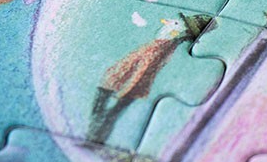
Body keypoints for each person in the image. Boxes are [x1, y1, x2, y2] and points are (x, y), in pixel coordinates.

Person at [86, 13, 214, 145]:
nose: (169, 23)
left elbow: (143, 70)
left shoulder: (162, 47)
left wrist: (126, 89)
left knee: (108, 112)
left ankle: (94, 137)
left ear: (183, 32)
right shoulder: (162, 44)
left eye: (179, 24)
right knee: (106, 111)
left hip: (126, 84)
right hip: (119, 80)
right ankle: (94, 136)